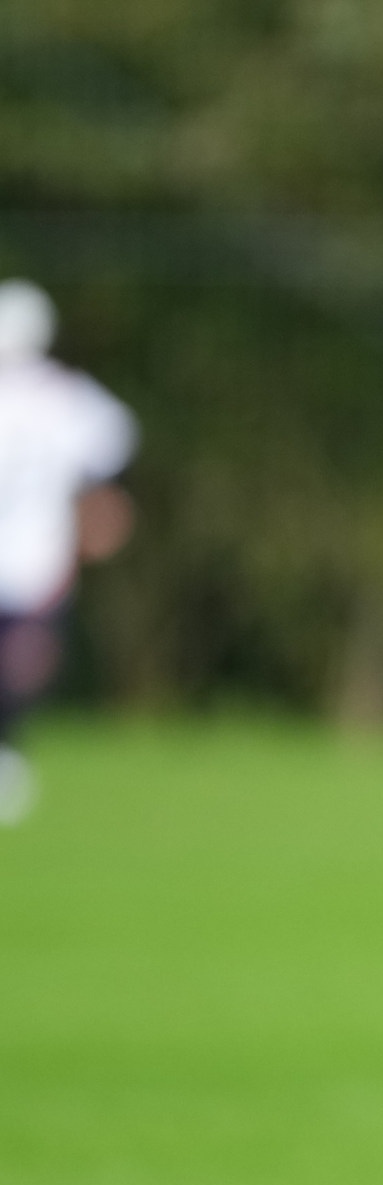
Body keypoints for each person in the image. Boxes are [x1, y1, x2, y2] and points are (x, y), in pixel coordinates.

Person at [0, 279, 138, 823]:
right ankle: (9, 753)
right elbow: (115, 447)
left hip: (33, 557)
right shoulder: (68, 398)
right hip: (38, 561)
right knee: (22, 669)